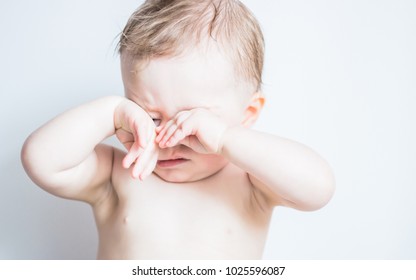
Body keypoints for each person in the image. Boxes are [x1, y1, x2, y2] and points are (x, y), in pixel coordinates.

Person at [21, 0, 335, 259]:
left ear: (248, 113)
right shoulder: (117, 175)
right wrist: (110, 111)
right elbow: (40, 160)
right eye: (151, 118)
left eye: (194, 121)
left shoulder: (251, 183)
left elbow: (318, 189)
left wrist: (225, 139)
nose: (170, 139)